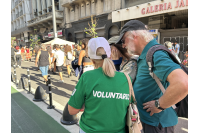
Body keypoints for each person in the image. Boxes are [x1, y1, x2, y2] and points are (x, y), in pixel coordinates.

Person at [115, 20, 188, 133]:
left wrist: (159, 105)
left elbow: (183, 83)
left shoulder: (155, 54)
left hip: (157, 124)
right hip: (150, 122)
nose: (123, 45)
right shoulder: (147, 53)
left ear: (134, 36)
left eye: (123, 40)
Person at [68, 37, 130, 133]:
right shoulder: (125, 78)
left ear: (91, 58)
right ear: (110, 54)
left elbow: (72, 110)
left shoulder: (86, 77)